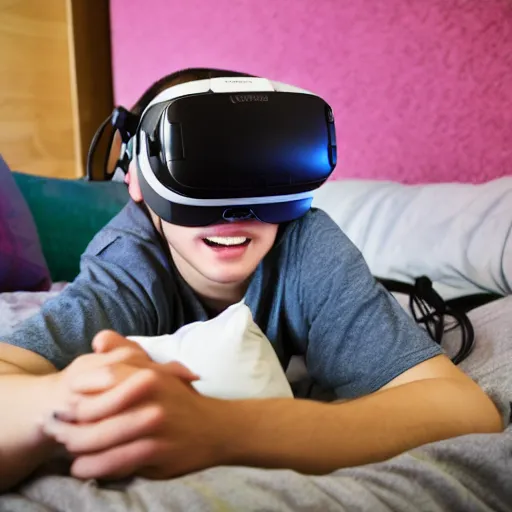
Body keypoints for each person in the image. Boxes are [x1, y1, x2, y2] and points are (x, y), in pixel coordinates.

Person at [0, 68, 502, 492]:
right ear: (135, 178)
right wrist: (69, 399)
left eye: (253, 169)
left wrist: (223, 430)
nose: (232, 213)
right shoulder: (130, 260)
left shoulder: (306, 244)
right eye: (202, 166)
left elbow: (464, 410)